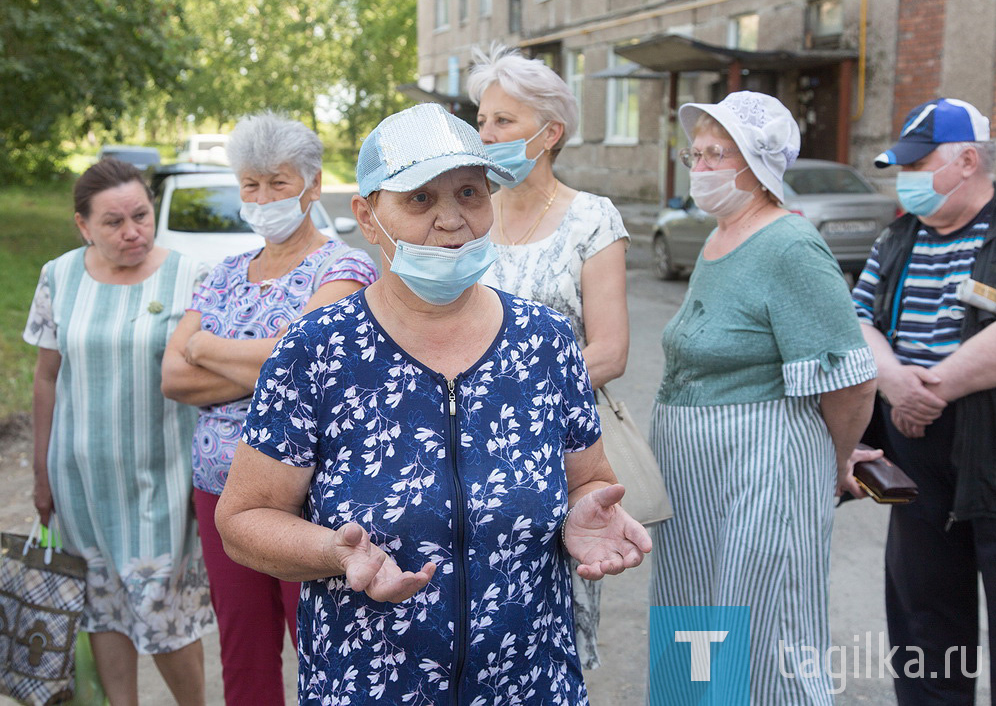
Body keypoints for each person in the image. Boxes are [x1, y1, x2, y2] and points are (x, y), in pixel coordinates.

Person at [213, 103, 652, 705]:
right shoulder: (318, 350)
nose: (452, 220)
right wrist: (330, 552)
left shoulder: (544, 342)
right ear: (368, 217)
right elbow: (242, 521)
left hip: (527, 684)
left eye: (470, 193)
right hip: (370, 685)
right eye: (420, 199)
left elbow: (588, 480)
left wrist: (579, 514)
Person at [648, 91, 877, 702]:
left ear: (759, 164)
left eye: (717, 154)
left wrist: (838, 460)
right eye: (694, 153)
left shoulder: (790, 246)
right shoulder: (721, 236)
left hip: (764, 467)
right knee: (695, 625)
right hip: (698, 474)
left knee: (767, 631)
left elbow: (851, 381)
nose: (699, 167)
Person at [161, 112, 378, 705]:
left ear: (312, 184)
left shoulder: (344, 268)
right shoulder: (224, 273)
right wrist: (263, 361)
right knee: (243, 648)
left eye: (277, 183)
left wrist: (206, 346)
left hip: (308, 497)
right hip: (218, 490)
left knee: (323, 645)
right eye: (250, 185)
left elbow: (304, 370)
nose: (262, 197)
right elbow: (174, 376)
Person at [23, 158, 215, 705]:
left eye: (141, 215)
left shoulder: (189, 276)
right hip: (79, 481)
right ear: (83, 225)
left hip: (160, 480)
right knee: (101, 609)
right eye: (113, 222)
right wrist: (41, 473)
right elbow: (46, 377)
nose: (132, 231)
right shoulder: (58, 275)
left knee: (161, 612)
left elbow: (203, 376)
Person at [468, 42, 629, 671]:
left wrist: (506, 391)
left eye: (503, 121)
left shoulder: (591, 218)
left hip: (552, 450)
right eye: (482, 121)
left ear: (550, 132)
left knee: (544, 626)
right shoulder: (466, 216)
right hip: (460, 442)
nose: (487, 134)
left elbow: (610, 352)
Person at [851, 97, 996, 703]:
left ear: (968, 160)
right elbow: (859, 320)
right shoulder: (899, 235)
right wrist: (893, 382)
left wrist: (927, 389)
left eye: (919, 165)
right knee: (924, 618)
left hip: (989, 441)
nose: (907, 180)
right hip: (916, 448)